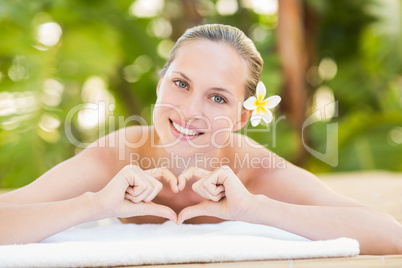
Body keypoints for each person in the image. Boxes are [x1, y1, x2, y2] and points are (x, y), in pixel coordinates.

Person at [0, 24, 401, 254]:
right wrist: (94, 204)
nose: (191, 111)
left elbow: (390, 234)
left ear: (242, 117)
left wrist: (256, 208)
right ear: (160, 85)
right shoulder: (116, 156)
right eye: (180, 84)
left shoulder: (256, 169)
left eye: (217, 97)